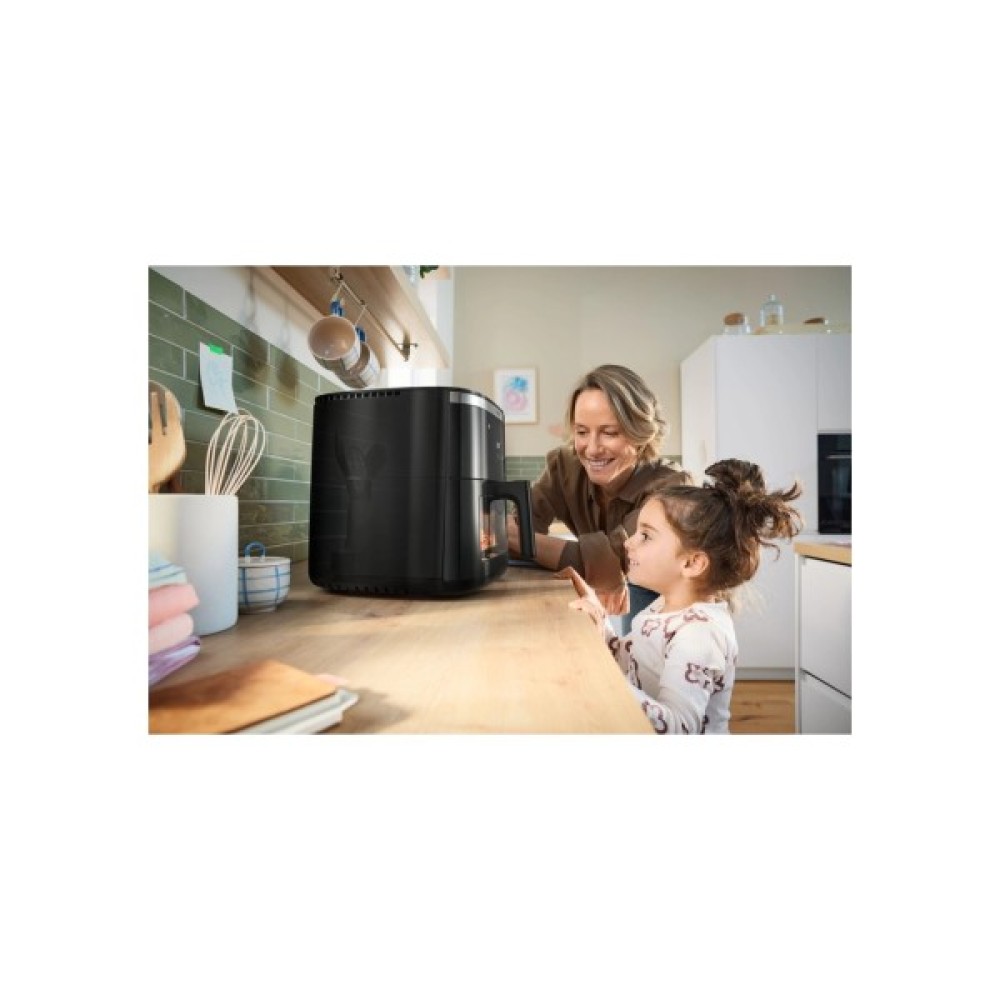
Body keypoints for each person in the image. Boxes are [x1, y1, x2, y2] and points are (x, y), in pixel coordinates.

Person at [567, 459, 803, 734]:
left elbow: (678, 728)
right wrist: (600, 621)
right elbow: (630, 662)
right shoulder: (664, 607)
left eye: (646, 536)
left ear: (692, 563)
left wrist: (608, 684)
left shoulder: (699, 634)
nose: (628, 542)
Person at [507, 364, 690, 625]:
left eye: (609, 432)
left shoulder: (671, 487)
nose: (591, 449)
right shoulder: (564, 466)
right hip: (633, 584)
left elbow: (614, 559)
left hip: (670, 597)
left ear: (640, 433)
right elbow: (522, 526)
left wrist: (516, 537)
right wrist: (514, 536)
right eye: (582, 432)